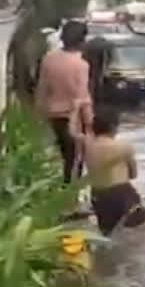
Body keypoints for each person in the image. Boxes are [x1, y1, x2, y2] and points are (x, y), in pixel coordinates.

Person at [35, 20, 92, 183]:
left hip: (53, 114)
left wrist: (39, 114)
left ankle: (65, 192)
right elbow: (82, 97)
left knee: (64, 155)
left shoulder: (49, 59)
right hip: (74, 117)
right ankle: (70, 197)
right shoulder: (81, 65)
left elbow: (41, 88)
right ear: (82, 40)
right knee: (75, 160)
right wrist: (89, 123)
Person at [82, 106, 145, 235]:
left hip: (98, 194)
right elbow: (133, 175)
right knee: (142, 231)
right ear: (113, 127)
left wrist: (76, 109)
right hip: (121, 193)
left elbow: (73, 132)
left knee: (107, 233)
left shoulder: (86, 145)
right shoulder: (124, 147)